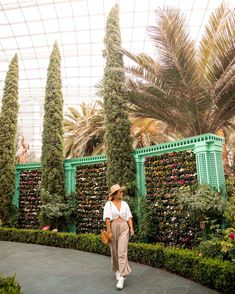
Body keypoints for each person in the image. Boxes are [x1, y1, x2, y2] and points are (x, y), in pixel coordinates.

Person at [103, 184, 134, 290]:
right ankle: (117, 269)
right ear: (115, 194)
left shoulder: (125, 204)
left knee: (122, 251)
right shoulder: (109, 204)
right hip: (113, 227)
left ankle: (122, 276)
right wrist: (109, 231)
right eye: (120, 192)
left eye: (121, 191)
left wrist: (131, 228)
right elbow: (107, 218)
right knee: (114, 251)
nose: (122, 193)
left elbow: (129, 217)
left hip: (124, 228)